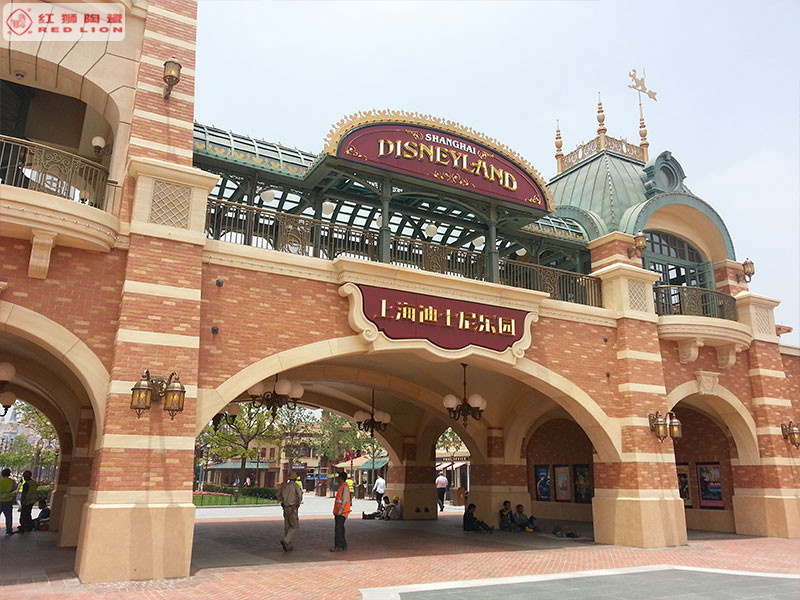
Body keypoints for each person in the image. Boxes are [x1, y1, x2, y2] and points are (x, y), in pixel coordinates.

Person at [277, 471, 303, 552]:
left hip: (285, 507)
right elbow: (299, 495)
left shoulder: (284, 485)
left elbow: (278, 495)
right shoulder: (295, 486)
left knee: (287, 525)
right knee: (294, 525)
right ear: (295, 478)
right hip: (292, 507)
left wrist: (283, 500)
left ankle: (288, 544)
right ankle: (286, 540)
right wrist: (298, 503)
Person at [331, 471, 351, 551]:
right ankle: (343, 545)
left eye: (339, 477)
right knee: (341, 528)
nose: (337, 479)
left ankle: (338, 545)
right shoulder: (343, 486)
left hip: (342, 512)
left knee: (338, 529)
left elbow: (344, 500)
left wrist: (341, 509)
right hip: (340, 511)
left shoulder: (344, 487)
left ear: (341, 478)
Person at [0, 468, 16, 536]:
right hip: (8, 501)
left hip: (0, 501)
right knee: (8, 517)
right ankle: (9, 530)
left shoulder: (0, 481)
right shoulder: (12, 481)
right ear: (9, 474)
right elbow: (14, 489)